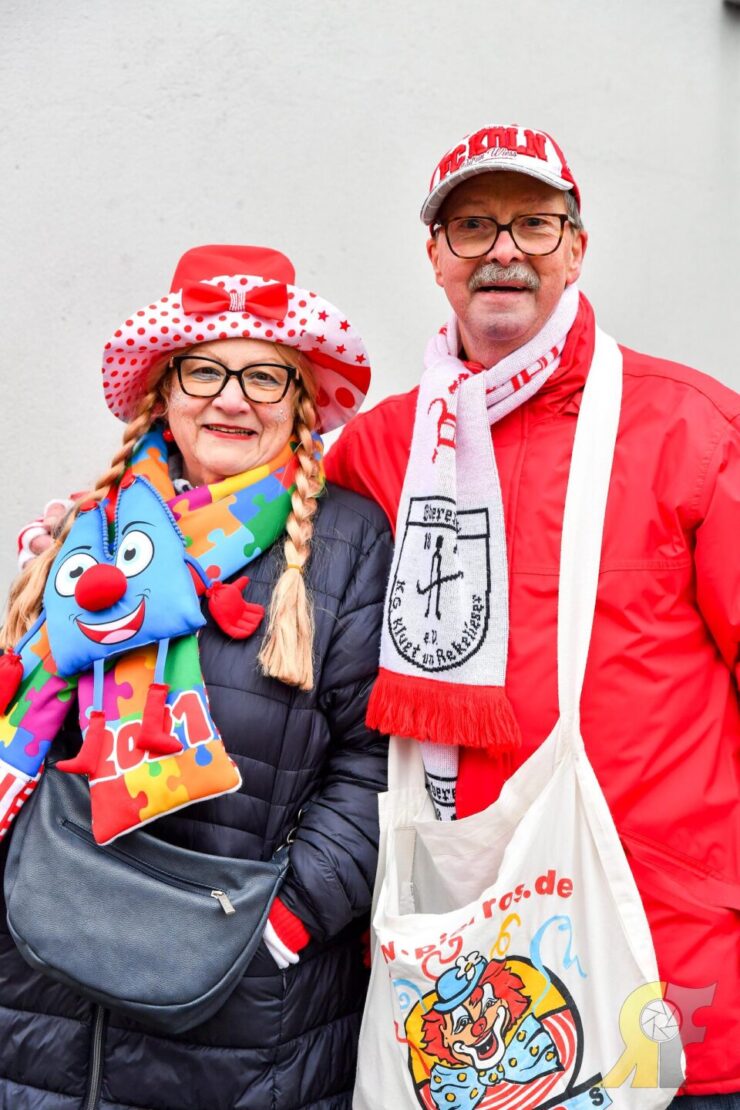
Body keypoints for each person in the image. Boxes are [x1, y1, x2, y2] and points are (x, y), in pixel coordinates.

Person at [324, 126, 740, 1104]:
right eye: (472, 226)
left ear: (576, 248)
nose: (502, 250)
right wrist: (103, 527)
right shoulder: (379, 450)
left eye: (533, 224)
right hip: (455, 968)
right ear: (435, 257)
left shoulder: (689, 425)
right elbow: (266, 553)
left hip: (667, 941)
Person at [0, 244, 392, 1109]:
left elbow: (377, 762)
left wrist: (286, 922)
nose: (231, 399)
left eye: (265, 377)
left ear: (299, 404)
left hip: (240, 1005)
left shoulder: (350, 545)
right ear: (164, 395)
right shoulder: (94, 532)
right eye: (205, 371)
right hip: (47, 985)